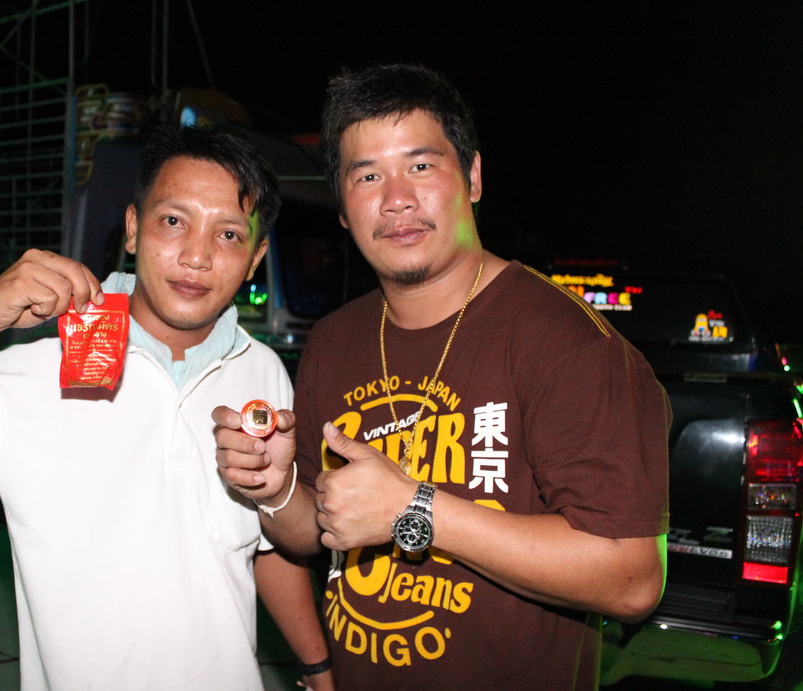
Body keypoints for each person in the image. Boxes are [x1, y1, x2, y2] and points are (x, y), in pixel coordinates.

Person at [213, 63, 670, 689]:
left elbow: (632, 578)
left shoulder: (568, 343)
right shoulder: (334, 340)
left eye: (421, 165)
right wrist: (273, 487)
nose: (396, 198)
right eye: (367, 175)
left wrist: (415, 509)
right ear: (342, 208)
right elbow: (315, 529)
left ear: (473, 177)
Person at [0, 123, 333, 690]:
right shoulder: (33, 368)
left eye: (227, 234)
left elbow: (263, 543)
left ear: (254, 258)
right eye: (174, 221)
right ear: (133, 228)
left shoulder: (261, 370)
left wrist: (316, 664)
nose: (196, 256)